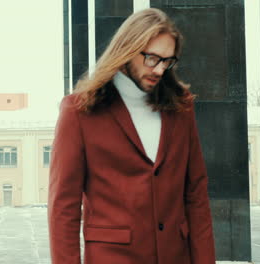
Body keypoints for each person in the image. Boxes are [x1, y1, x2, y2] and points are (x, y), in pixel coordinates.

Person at [48, 8, 216, 264]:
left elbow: (196, 196)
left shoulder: (181, 107)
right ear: (127, 49)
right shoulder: (79, 111)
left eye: (167, 61)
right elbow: (63, 208)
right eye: (151, 58)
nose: (159, 70)